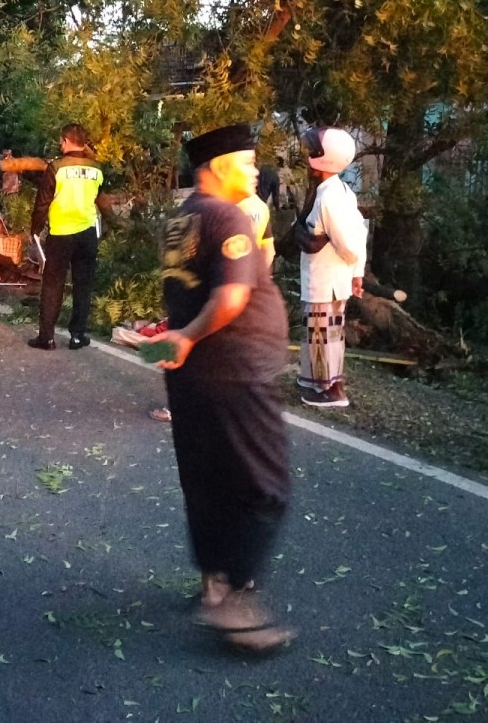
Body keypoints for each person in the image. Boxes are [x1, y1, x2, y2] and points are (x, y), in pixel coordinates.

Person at [145, 124, 295, 653]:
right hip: (234, 369)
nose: (256, 170)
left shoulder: (180, 218)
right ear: (219, 167)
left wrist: (178, 339)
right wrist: (186, 335)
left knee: (207, 481)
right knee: (264, 484)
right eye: (248, 161)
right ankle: (235, 598)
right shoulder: (229, 216)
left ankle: (213, 583)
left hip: (192, 373)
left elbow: (186, 289)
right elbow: (231, 296)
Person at [149, 184, 275, 424]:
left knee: (191, 342)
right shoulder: (259, 206)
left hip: (209, 287)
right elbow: (268, 248)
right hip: (244, 288)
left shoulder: (217, 207)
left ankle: (179, 406)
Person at [295, 127, 366, 408]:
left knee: (323, 336)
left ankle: (330, 390)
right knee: (326, 335)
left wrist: (352, 265)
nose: (307, 156)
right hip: (331, 278)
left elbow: (349, 241)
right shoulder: (339, 190)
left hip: (326, 280)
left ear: (322, 157)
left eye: (312, 151)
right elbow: (360, 234)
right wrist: (356, 271)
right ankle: (321, 383)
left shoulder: (330, 198)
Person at [28, 124, 103, 350]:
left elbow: (42, 204)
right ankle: (78, 336)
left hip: (61, 234)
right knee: (83, 285)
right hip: (87, 233)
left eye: (61, 141)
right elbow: (98, 199)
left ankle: (47, 338)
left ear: (66, 141)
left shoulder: (56, 167)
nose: (60, 145)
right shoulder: (97, 169)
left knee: (53, 285)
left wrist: (35, 230)